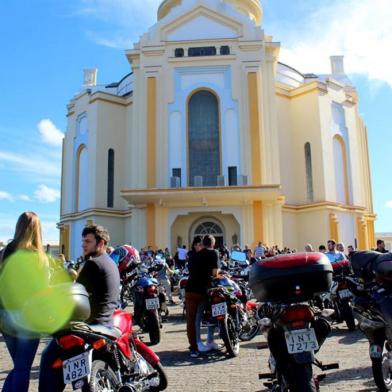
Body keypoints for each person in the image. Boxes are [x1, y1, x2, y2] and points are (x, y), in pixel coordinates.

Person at [39, 224, 120, 392]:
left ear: (101, 243)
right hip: (106, 324)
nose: (83, 245)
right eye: (83, 241)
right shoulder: (111, 263)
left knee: (48, 356)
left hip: (86, 326)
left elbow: (74, 294)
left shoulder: (93, 264)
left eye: (88, 241)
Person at [0, 212, 48, 392]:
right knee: (22, 369)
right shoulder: (38, 257)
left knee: (18, 367)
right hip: (28, 316)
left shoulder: (4, 252)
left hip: (5, 315)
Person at [186, 235, 219, 358]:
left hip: (190, 289)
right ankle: (208, 341)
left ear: (202, 244)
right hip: (203, 291)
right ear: (212, 244)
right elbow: (215, 273)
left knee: (192, 320)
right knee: (209, 314)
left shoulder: (193, 255)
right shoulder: (213, 253)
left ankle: (195, 346)